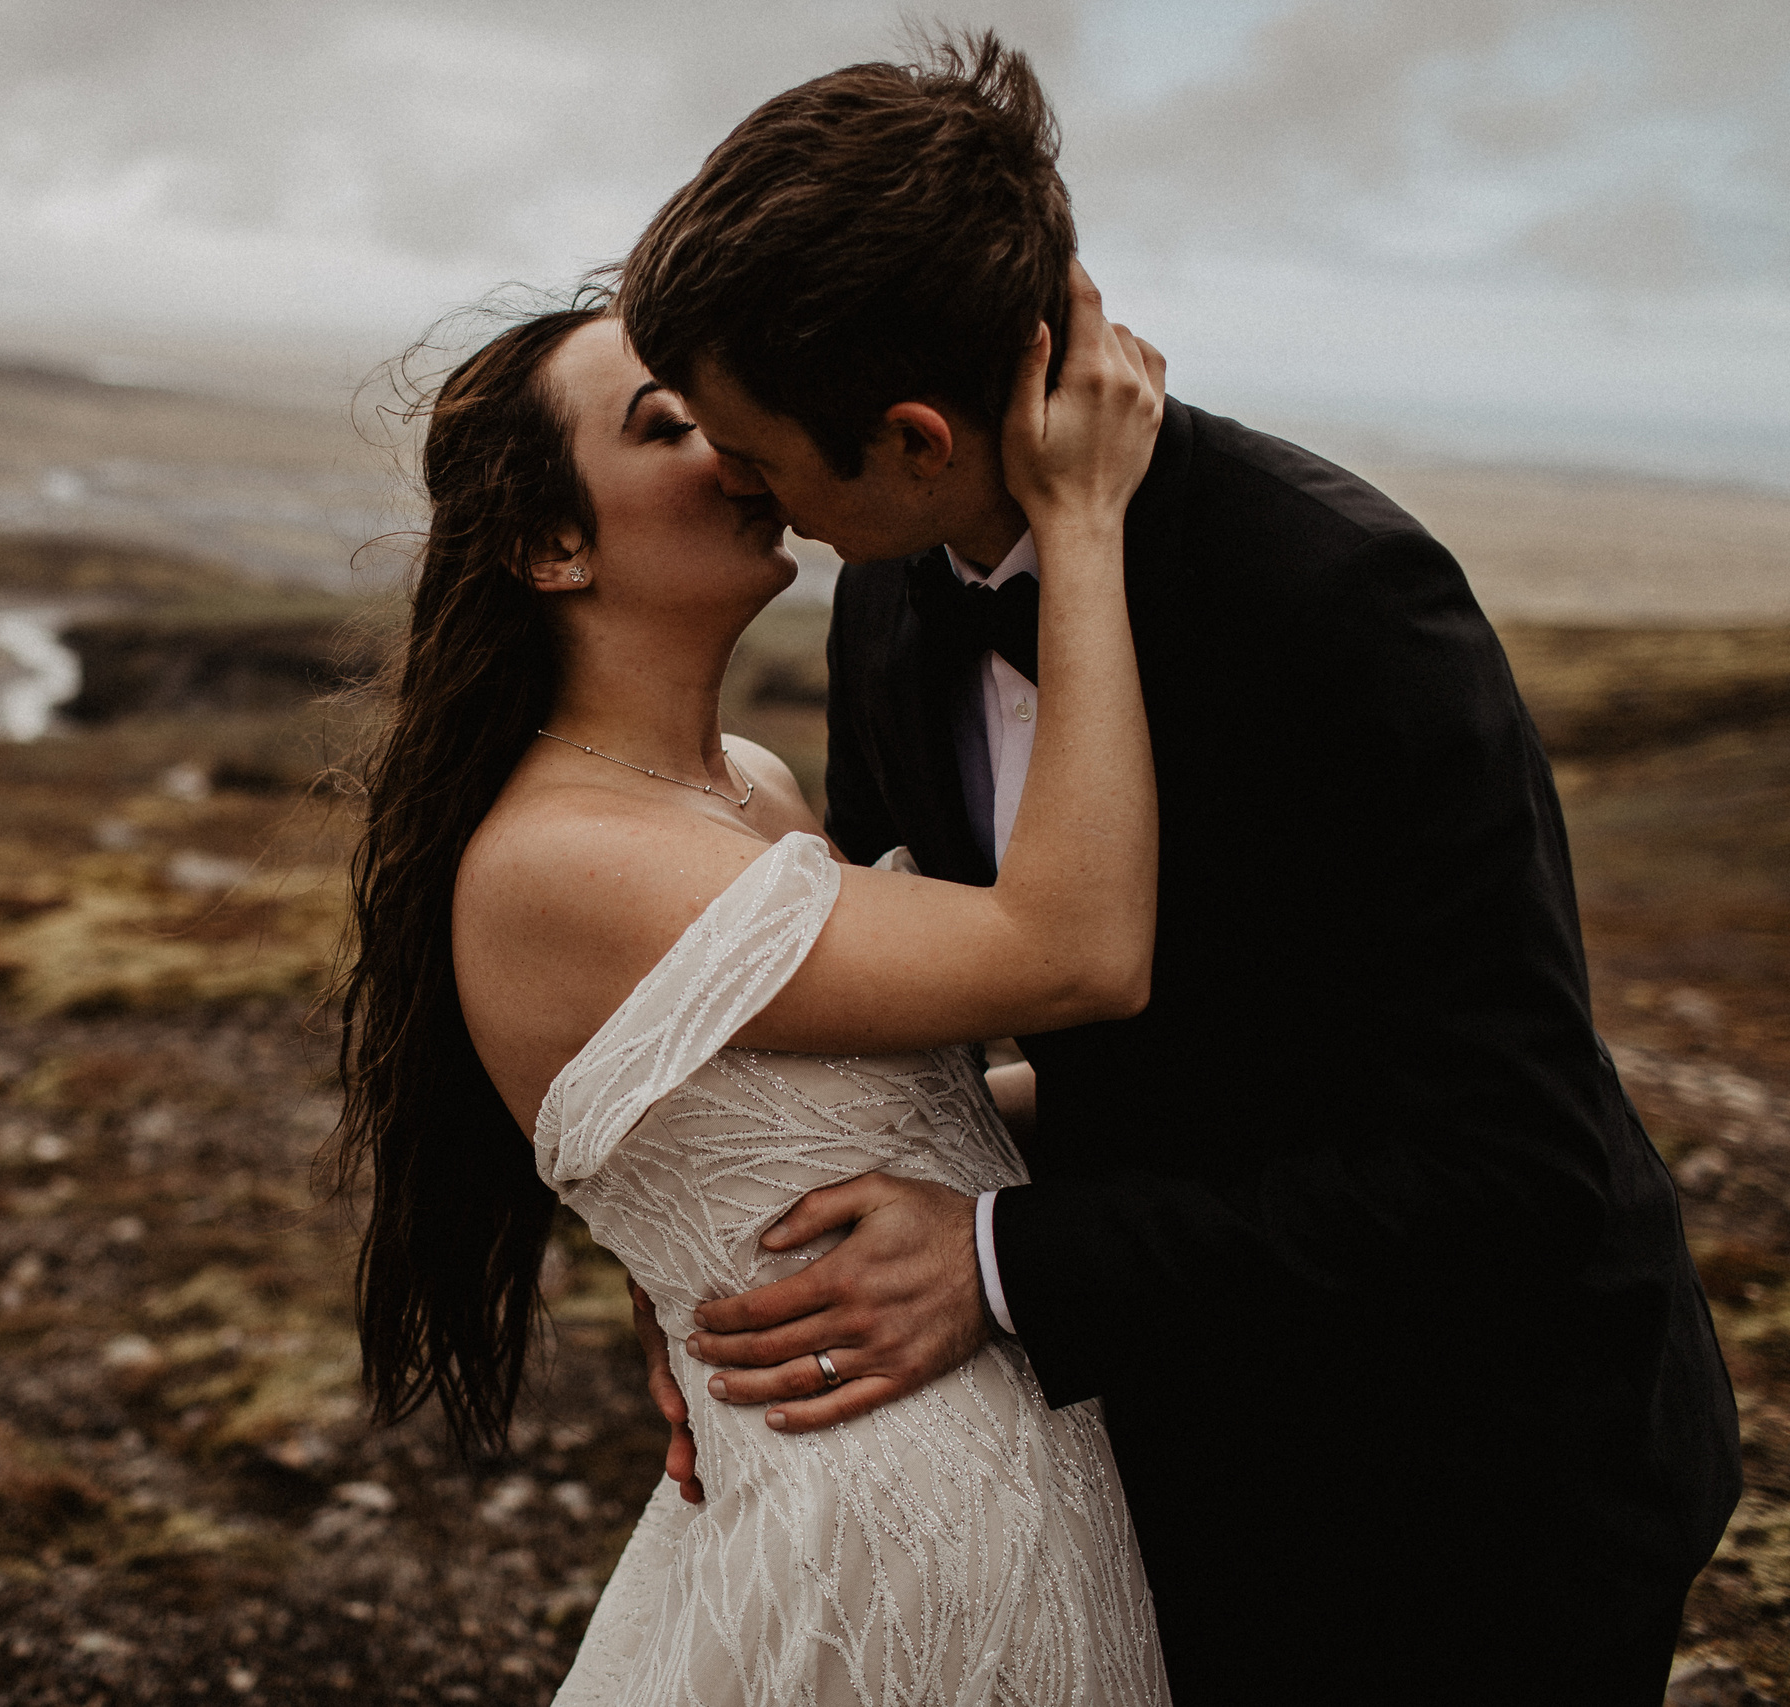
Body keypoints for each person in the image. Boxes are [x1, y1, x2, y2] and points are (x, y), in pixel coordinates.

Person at [612, 32, 1740, 1707]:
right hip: (1176, 1445)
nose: (724, 482)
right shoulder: (886, 596)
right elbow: (1004, 1033)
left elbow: (1511, 1169)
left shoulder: (1343, 608)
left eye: (754, 450)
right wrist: (757, 1273)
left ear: (916, 439)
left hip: (1475, 1488)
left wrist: (997, 1263)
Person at [328, 269, 1173, 1699]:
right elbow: (1074, 951)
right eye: (668, 425)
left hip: (986, 1472)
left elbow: (906, 1121)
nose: (733, 445)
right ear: (549, 542)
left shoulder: (755, 791)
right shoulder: (565, 859)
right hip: (883, 1526)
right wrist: (1081, 521)